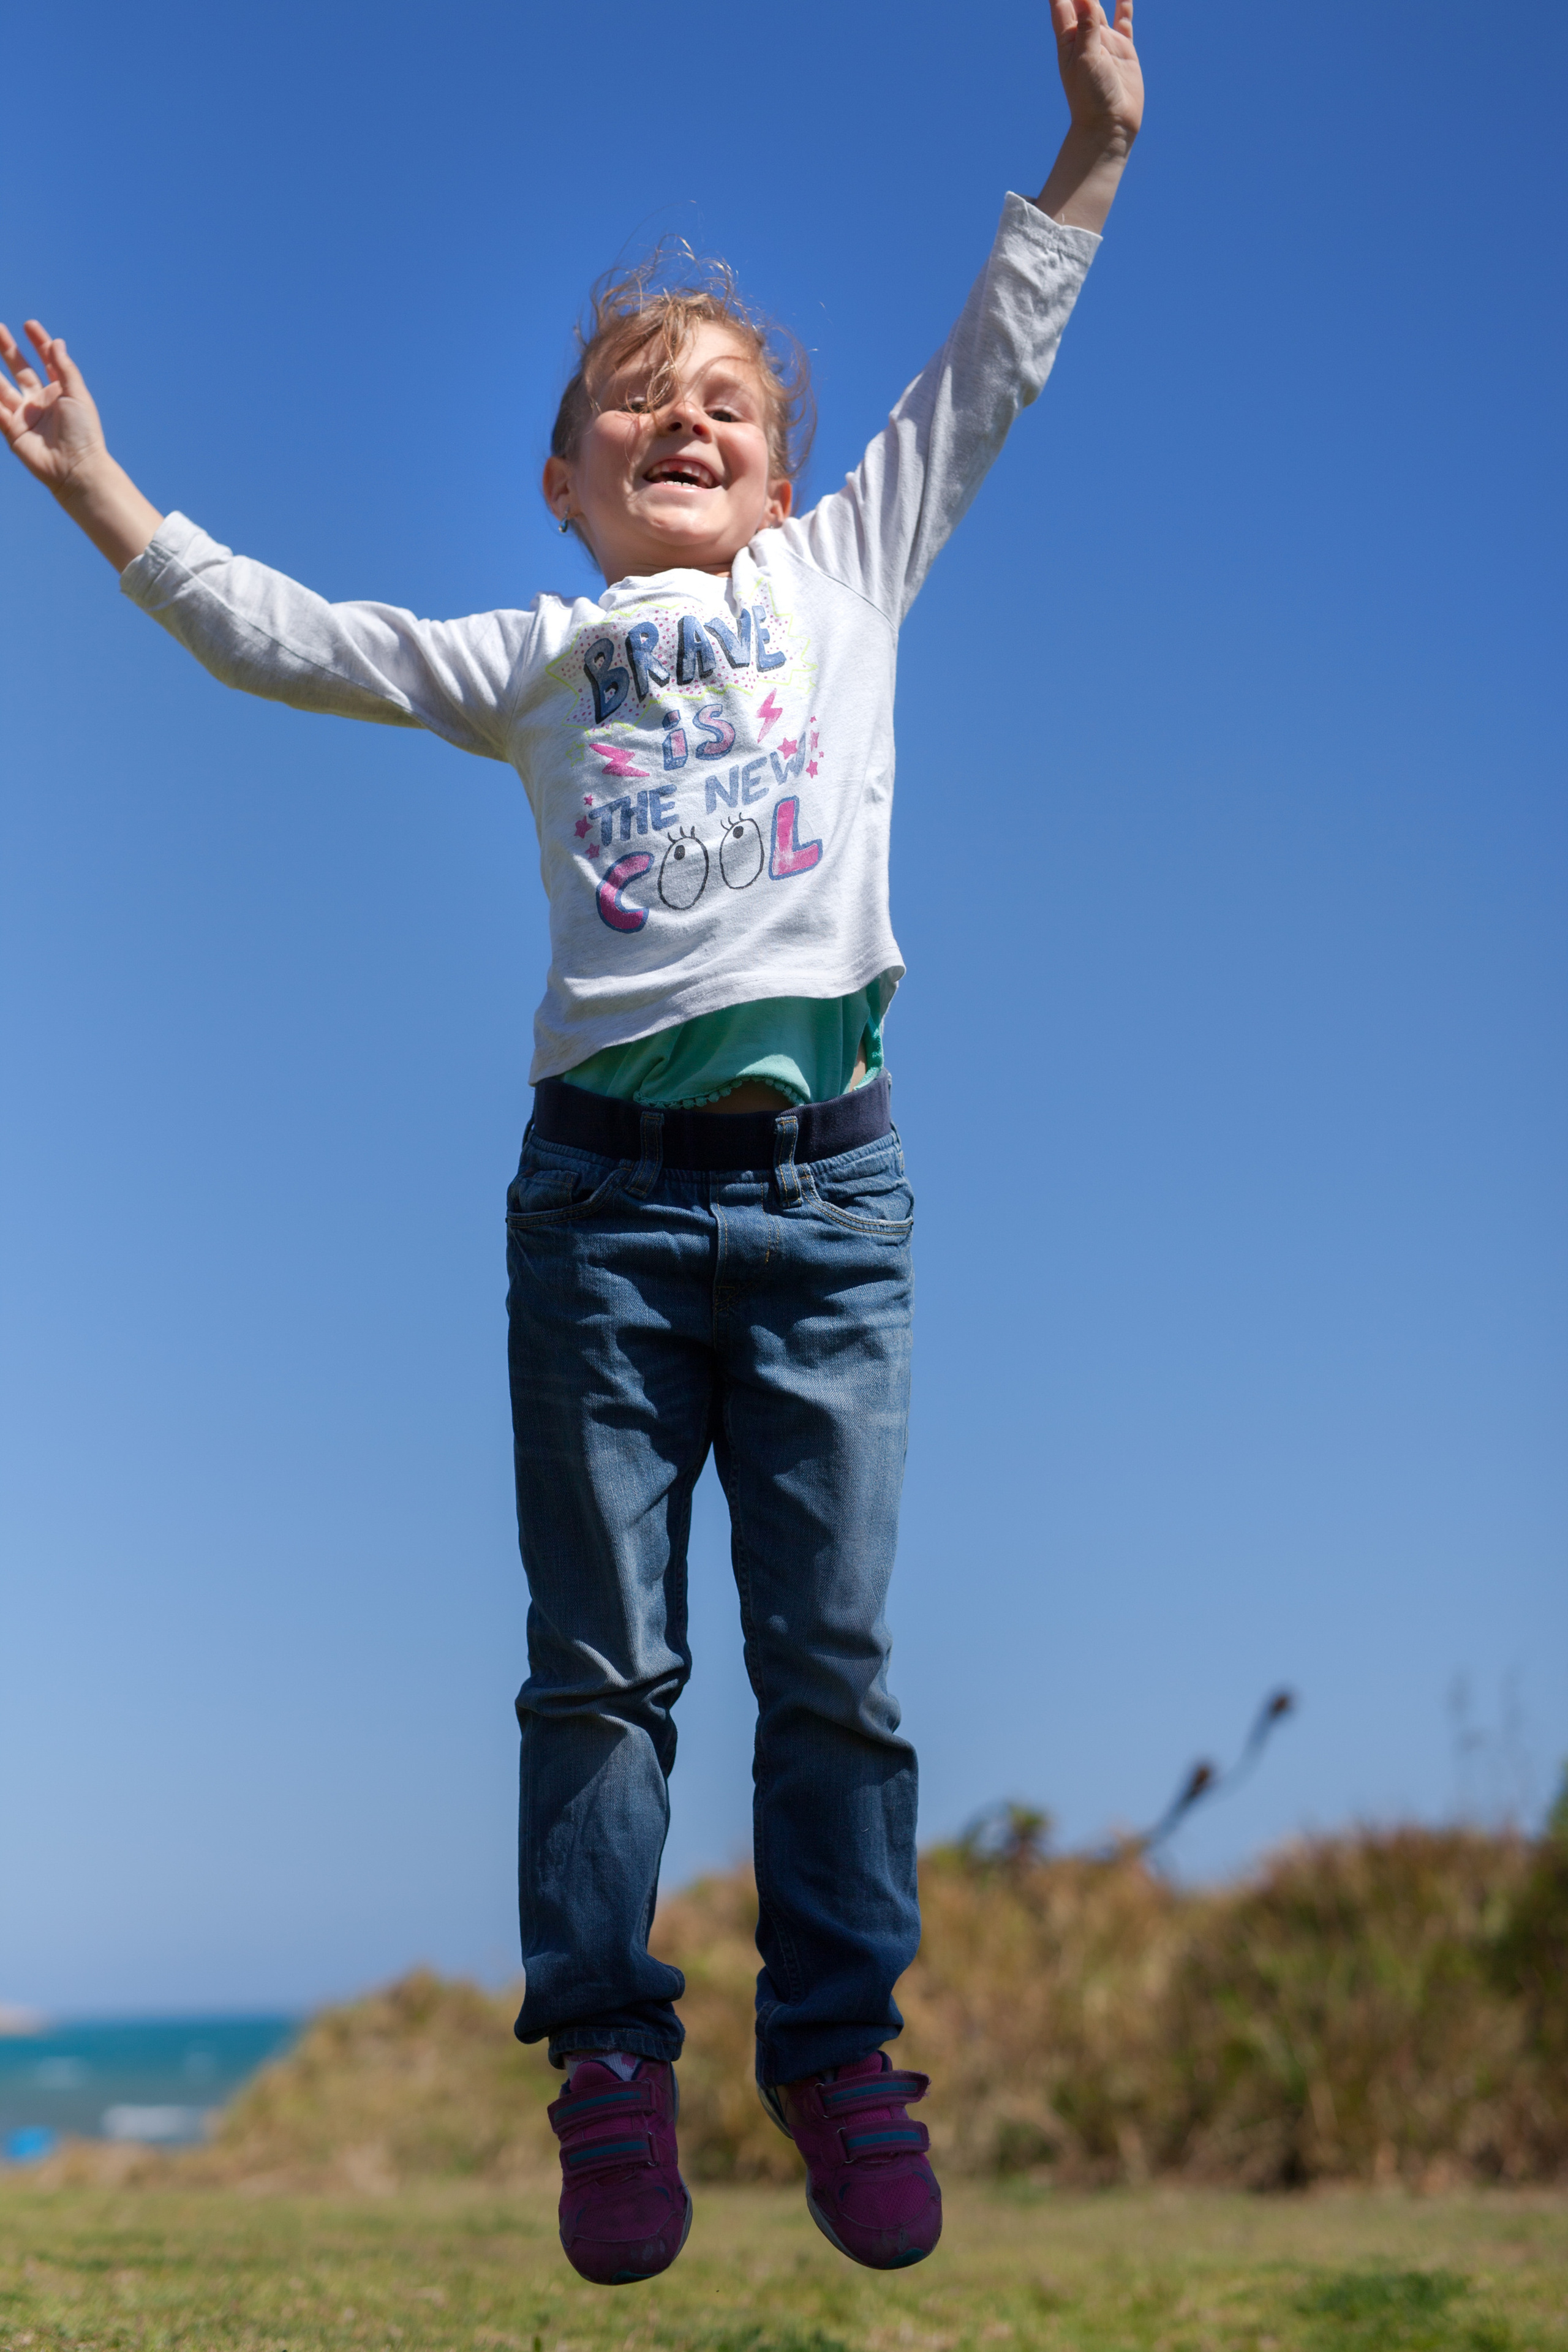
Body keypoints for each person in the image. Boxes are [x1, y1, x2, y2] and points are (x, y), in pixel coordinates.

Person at [1, 0, 1142, 2286]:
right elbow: (297, 641)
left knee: (832, 1665)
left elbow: (991, 370)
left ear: (796, 477)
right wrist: (108, 500)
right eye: (639, 400)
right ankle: (613, 2059)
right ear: (567, 481)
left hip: (831, 1204)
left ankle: (835, 2046)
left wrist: (1087, 155)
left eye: (728, 397)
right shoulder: (539, 654)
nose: (686, 418)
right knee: (602, 1669)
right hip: (602, 1220)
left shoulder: (844, 583)